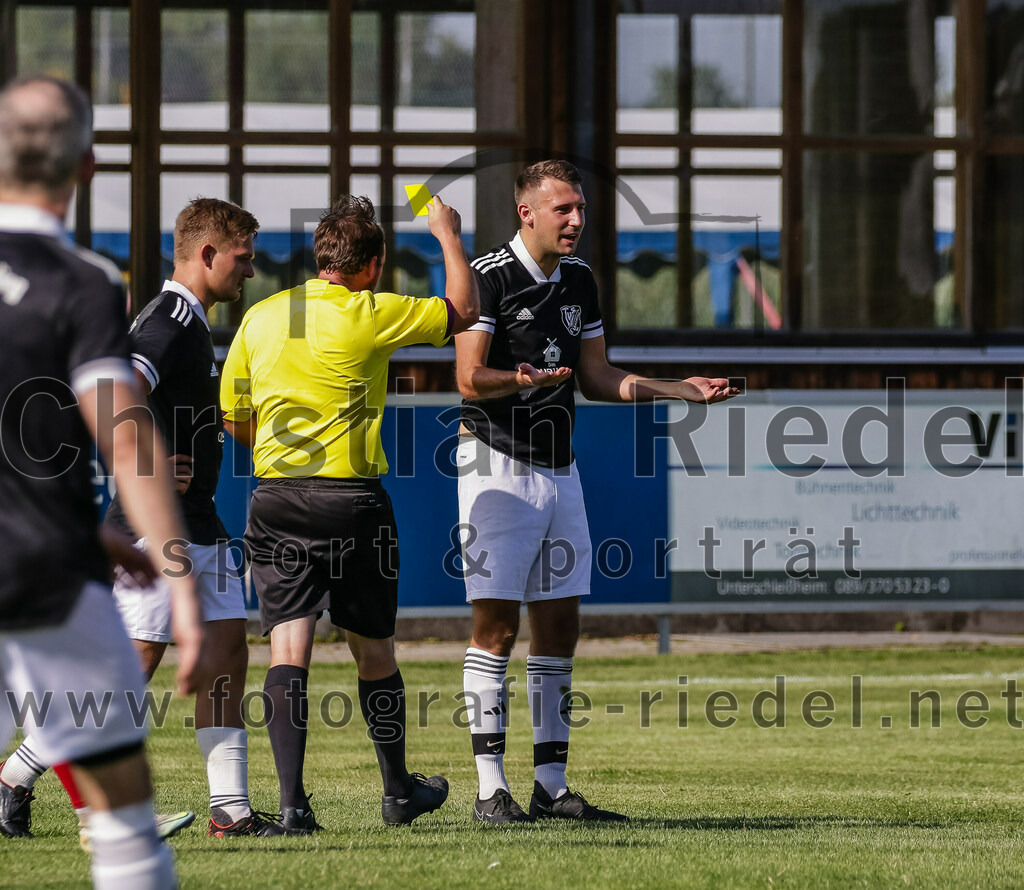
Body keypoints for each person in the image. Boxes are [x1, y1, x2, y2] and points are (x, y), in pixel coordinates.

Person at [455, 159, 739, 824]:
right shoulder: (488, 277)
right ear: (527, 212)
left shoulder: (580, 279)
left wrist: (680, 392)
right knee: (494, 628)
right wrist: (519, 380)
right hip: (495, 465)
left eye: (580, 208)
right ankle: (489, 786)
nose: (577, 221)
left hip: (561, 468)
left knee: (560, 625)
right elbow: (468, 379)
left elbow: (595, 374)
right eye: (564, 210)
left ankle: (550, 787)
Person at [220, 193, 479, 830]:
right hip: (354, 502)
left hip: (277, 498)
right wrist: (447, 235)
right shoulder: (371, 311)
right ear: (372, 265)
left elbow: (232, 413)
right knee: (375, 653)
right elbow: (465, 311)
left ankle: (291, 806)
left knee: (288, 652)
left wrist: (281, 457)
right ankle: (397, 792)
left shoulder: (261, 316)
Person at [0, 75, 202, 889]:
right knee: (125, 826)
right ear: (86, 165)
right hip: (42, 572)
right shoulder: (83, 281)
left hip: (51, 546)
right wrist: (177, 572)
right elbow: (126, 436)